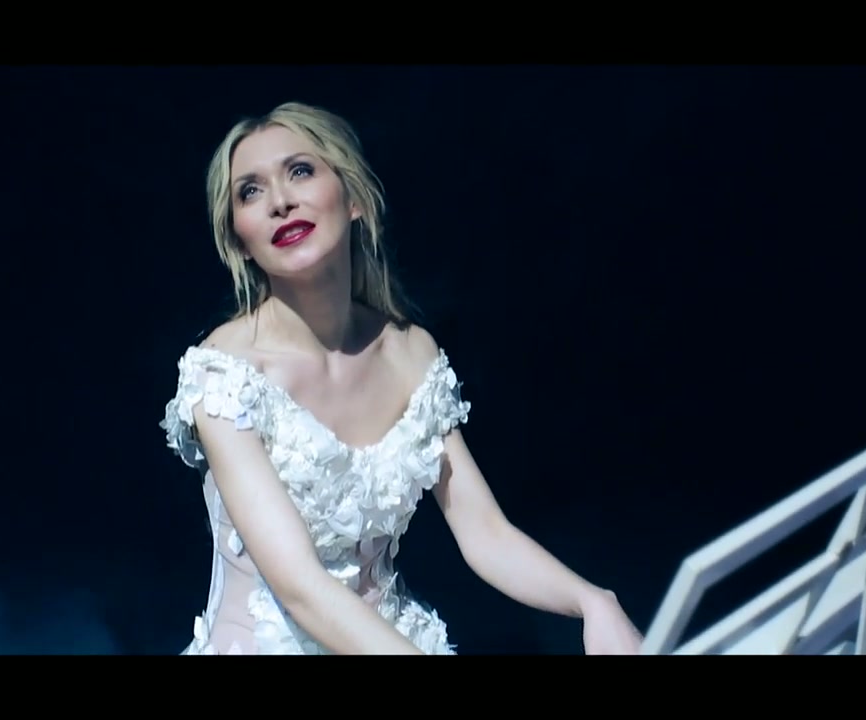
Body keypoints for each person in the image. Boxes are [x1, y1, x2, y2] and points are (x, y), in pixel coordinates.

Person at [160, 101, 644, 655]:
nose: (279, 201)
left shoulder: (412, 354)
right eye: (250, 191)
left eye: (300, 171)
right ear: (240, 241)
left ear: (355, 199)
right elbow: (300, 586)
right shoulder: (226, 374)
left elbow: (484, 531)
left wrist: (592, 601)